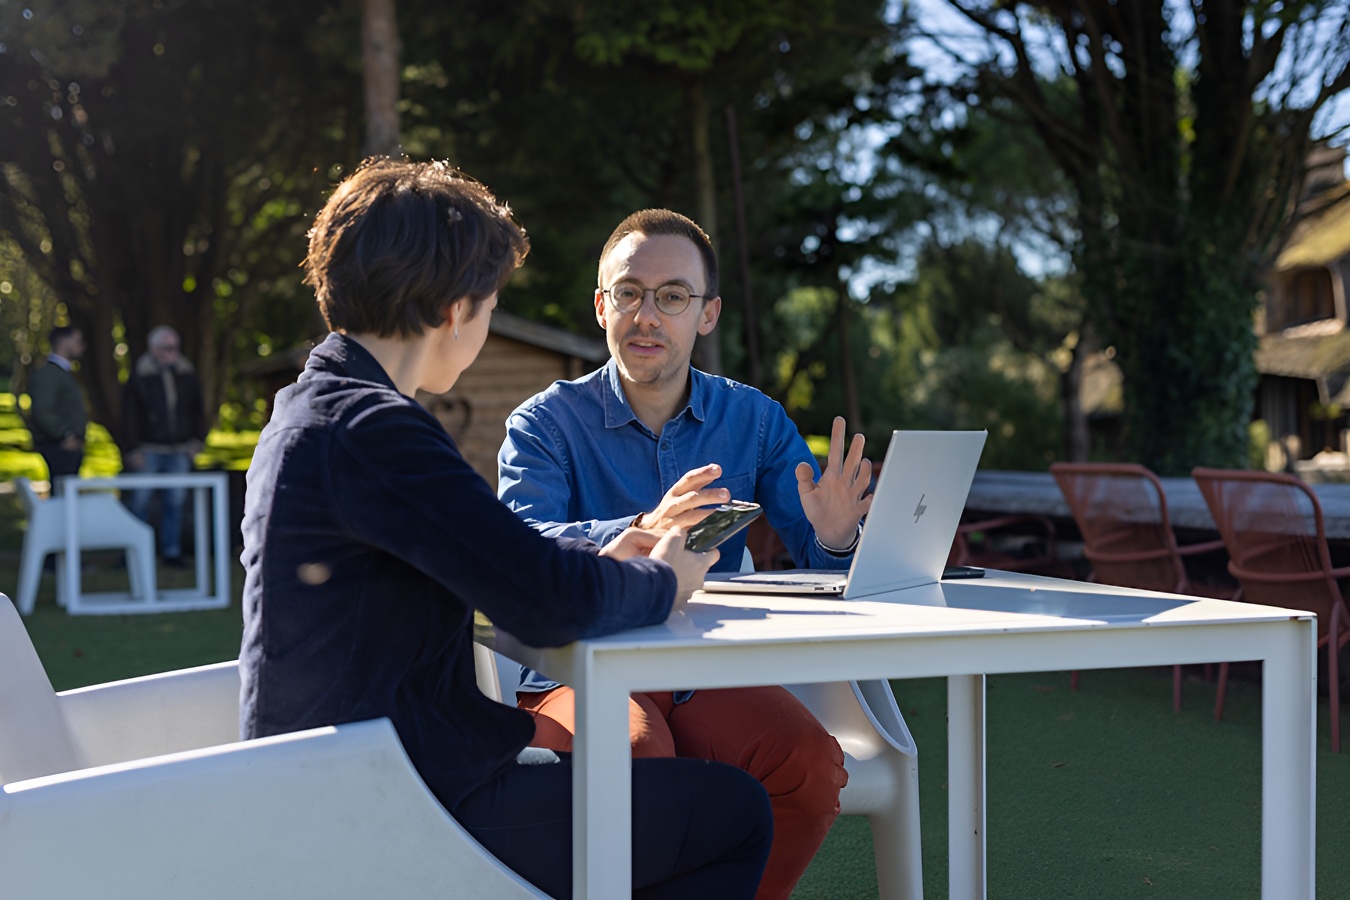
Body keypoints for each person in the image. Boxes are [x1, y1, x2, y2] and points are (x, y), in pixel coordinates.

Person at [240, 159, 772, 900]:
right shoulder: (374, 430)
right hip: (389, 803)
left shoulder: (317, 410)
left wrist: (597, 557)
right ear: (456, 307)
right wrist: (666, 579)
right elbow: (548, 604)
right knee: (733, 811)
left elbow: (499, 561)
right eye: (489, 305)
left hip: (347, 776)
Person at [498, 208, 873, 900]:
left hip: (708, 671)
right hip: (578, 667)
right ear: (600, 306)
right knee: (637, 756)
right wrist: (640, 528)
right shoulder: (542, 424)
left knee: (808, 765)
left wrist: (837, 537)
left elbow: (821, 566)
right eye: (630, 293)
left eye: (672, 296)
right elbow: (522, 551)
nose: (648, 315)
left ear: (707, 314)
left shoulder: (755, 419)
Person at [120, 325, 209, 566]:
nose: (172, 352)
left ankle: (171, 552)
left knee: (176, 502)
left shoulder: (186, 372)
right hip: (148, 449)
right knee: (140, 501)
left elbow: (198, 410)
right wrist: (132, 448)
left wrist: (197, 441)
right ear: (154, 349)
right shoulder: (141, 373)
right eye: (166, 348)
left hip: (179, 450)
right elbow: (129, 414)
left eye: (175, 347)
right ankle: (133, 553)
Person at [25, 324, 88, 491]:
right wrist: (64, 435)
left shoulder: (62, 373)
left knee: (66, 493)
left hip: (66, 446)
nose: (81, 346)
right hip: (58, 446)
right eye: (78, 340)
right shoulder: (49, 374)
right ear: (64, 341)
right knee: (62, 494)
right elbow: (42, 410)